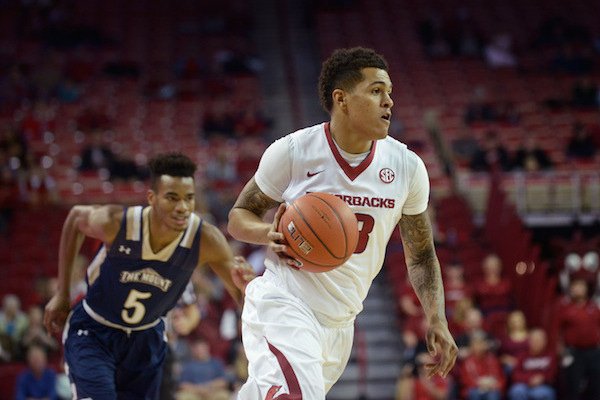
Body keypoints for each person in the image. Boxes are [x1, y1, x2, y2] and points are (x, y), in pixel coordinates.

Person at [227, 47, 457, 399]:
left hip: (340, 323)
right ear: (342, 99)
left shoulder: (407, 168)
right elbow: (239, 217)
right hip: (286, 303)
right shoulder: (294, 151)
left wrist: (437, 317)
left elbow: (422, 256)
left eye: (390, 93)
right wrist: (268, 234)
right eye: (377, 91)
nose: (389, 102)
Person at [43, 152, 255, 399]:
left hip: (146, 338)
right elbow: (76, 217)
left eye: (189, 198)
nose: (182, 208)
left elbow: (241, 295)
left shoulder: (205, 239)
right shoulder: (118, 223)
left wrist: (246, 288)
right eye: (172, 198)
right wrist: (62, 293)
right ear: (152, 198)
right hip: (95, 331)